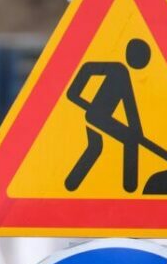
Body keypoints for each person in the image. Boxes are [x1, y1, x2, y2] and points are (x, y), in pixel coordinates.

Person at [64, 38, 151, 193]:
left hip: (98, 117)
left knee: (95, 147)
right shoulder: (117, 69)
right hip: (97, 117)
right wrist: (78, 98)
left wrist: (137, 131)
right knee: (128, 141)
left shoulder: (122, 73)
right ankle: (130, 188)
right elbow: (86, 69)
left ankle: (70, 185)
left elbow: (128, 104)